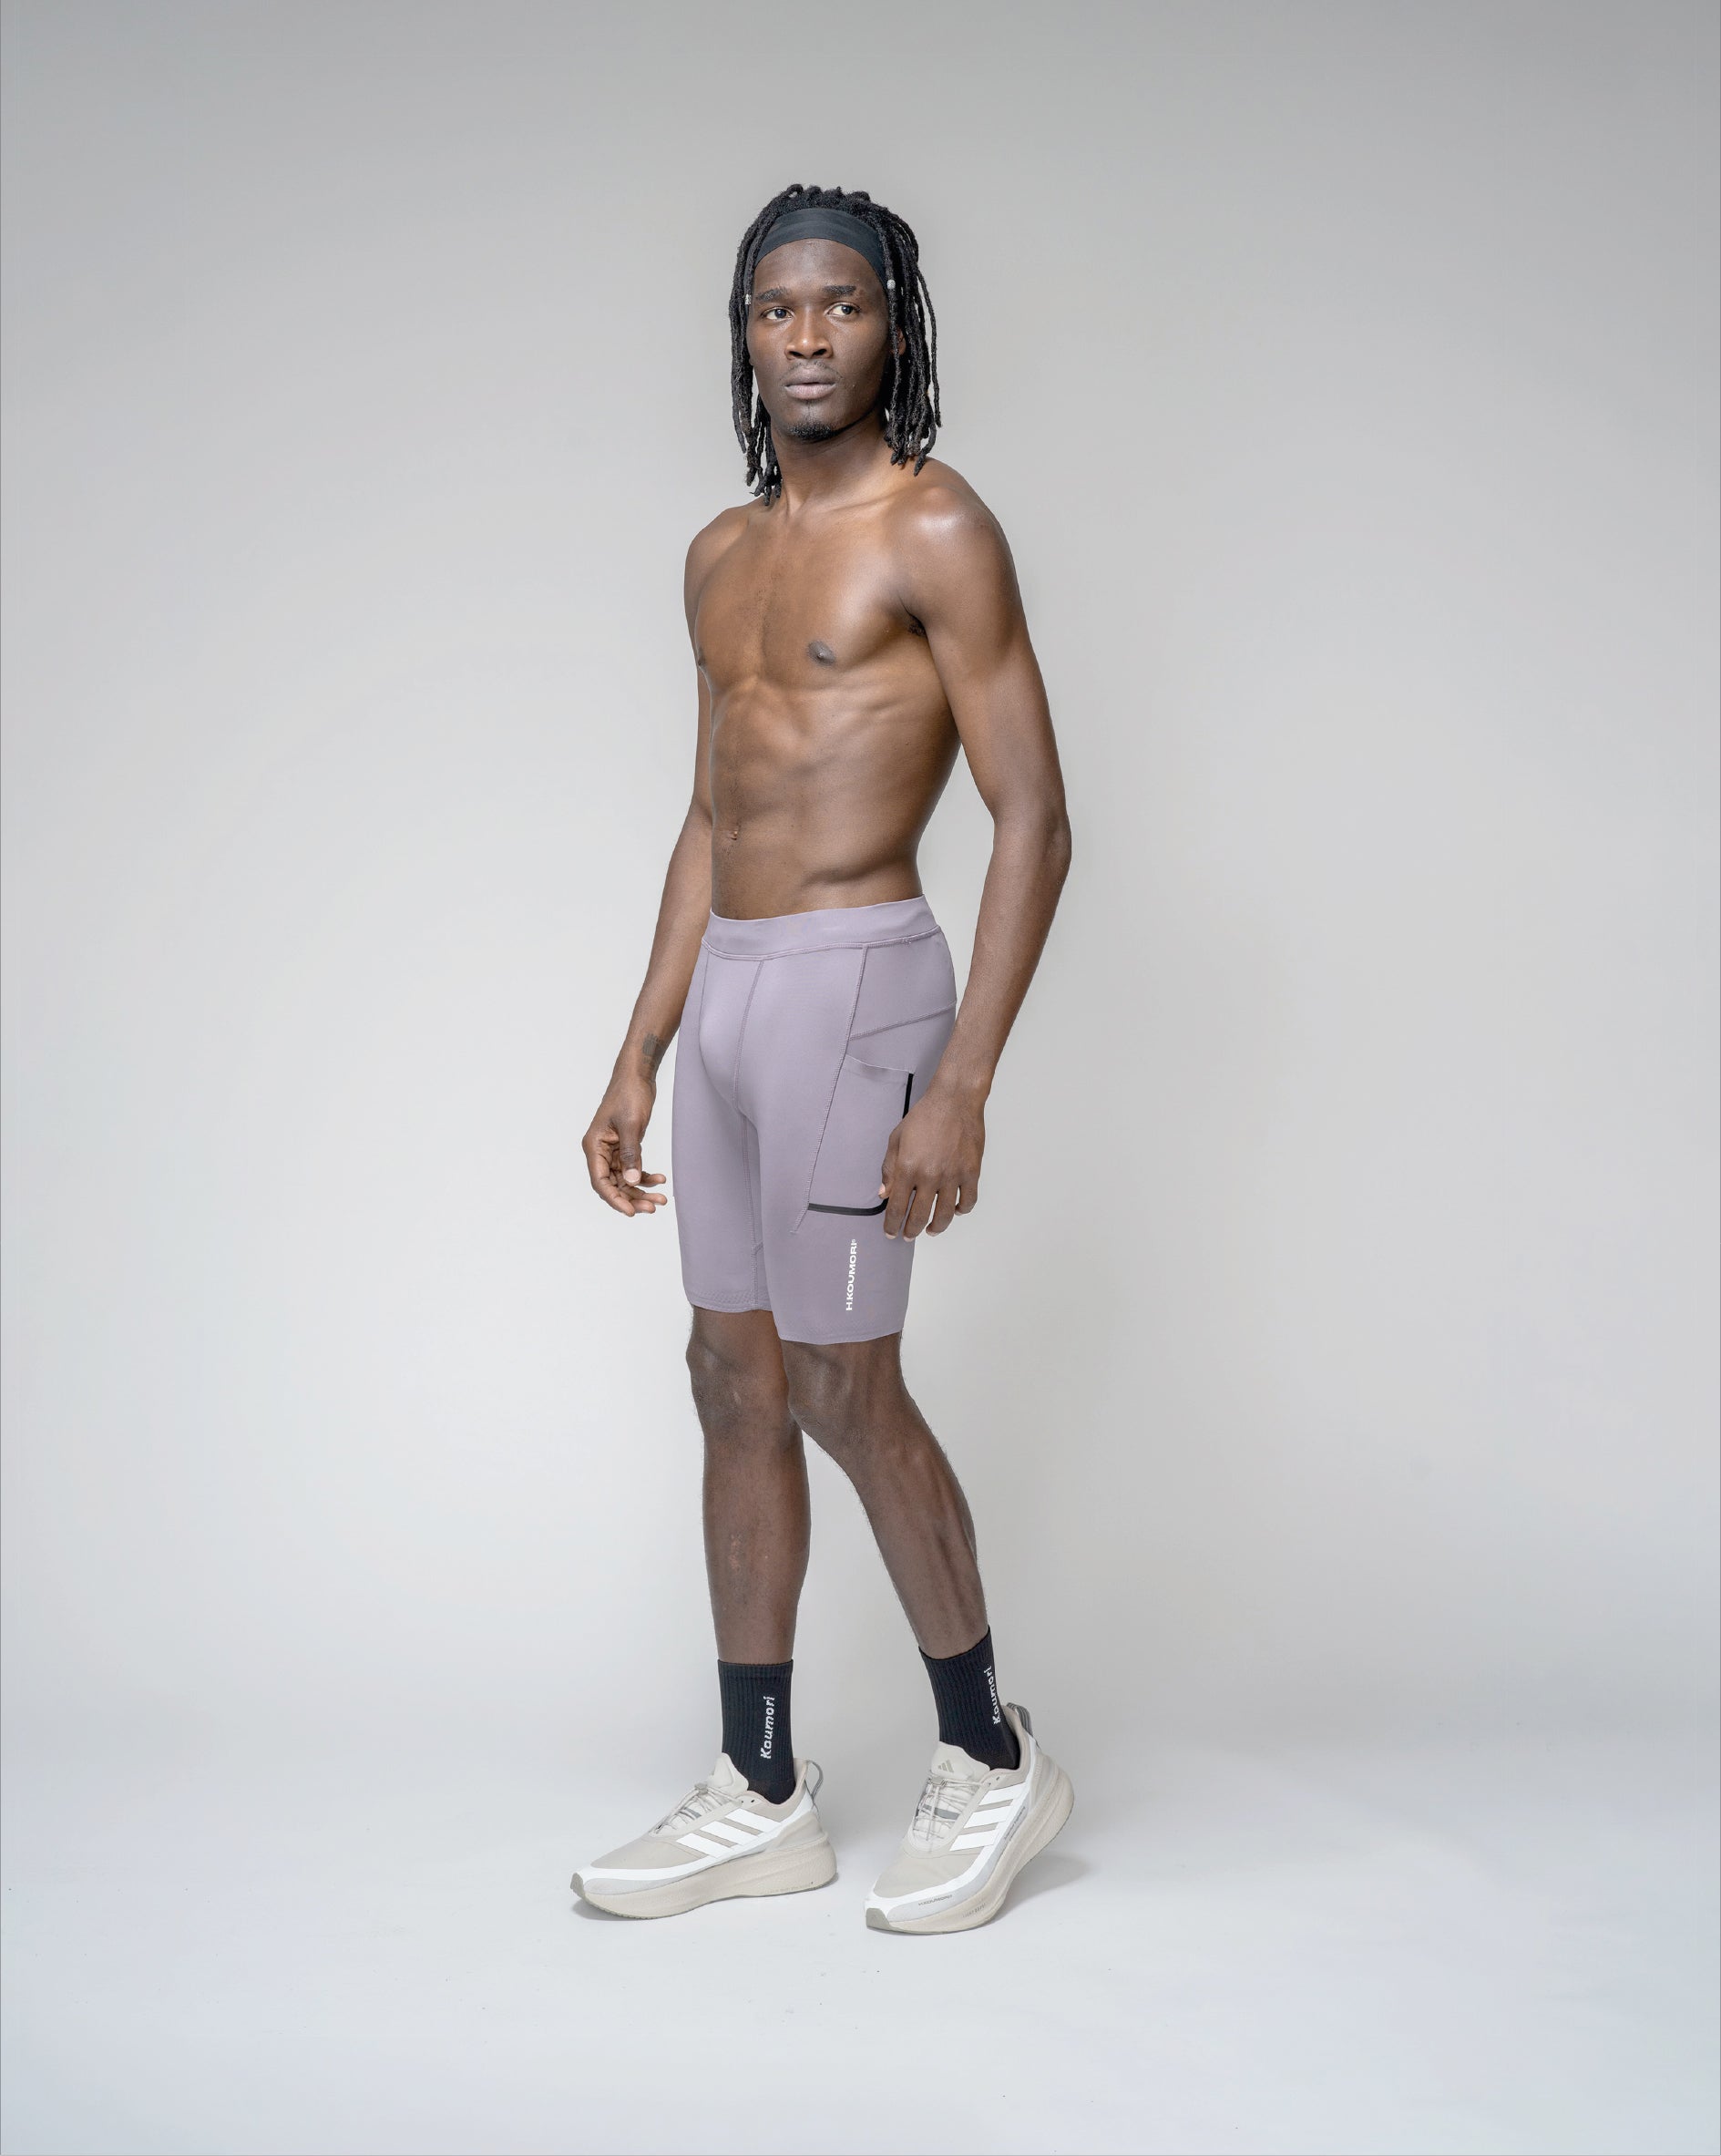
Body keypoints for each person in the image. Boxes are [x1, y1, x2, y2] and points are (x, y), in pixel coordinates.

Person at [571, 184, 1073, 1935]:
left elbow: (1033, 817)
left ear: (892, 326)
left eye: (840, 305)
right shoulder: (718, 555)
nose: (804, 336)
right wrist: (640, 1047)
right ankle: (762, 1787)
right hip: (729, 995)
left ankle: (990, 1754)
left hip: (861, 989)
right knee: (730, 1378)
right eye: (775, 307)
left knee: (846, 1387)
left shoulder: (936, 527)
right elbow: (711, 816)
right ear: (743, 330)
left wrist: (966, 1083)